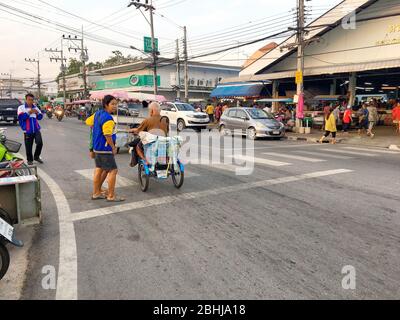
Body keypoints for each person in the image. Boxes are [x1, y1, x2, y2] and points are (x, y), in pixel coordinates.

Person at [85, 95, 125, 202]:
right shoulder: (108, 118)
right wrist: (113, 147)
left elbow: (88, 122)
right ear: (106, 105)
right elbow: (107, 134)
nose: (115, 106)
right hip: (105, 148)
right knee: (113, 170)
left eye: (116, 104)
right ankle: (111, 195)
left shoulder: (97, 114)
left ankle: (96, 192)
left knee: (100, 169)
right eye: (112, 104)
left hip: (97, 147)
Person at [18, 93, 44, 165]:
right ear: (26, 100)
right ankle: (30, 160)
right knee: (28, 146)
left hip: (36, 129)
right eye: (29, 100)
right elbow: (21, 118)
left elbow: (40, 117)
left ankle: (36, 156)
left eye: (32, 100)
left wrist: (37, 113)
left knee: (40, 143)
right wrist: (29, 112)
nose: (31, 101)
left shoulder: (35, 107)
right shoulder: (21, 108)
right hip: (27, 130)